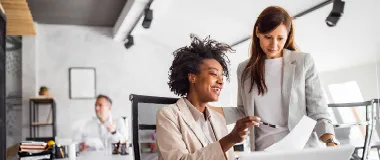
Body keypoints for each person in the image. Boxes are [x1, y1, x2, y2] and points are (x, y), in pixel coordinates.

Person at [214, 6, 338, 151]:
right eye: (268, 37)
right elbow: (243, 111)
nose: (274, 45)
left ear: (288, 36)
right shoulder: (245, 69)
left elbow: (318, 109)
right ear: (258, 32)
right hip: (264, 151)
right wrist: (206, 110)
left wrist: (330, 141)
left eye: (280, 38)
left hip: (302, 150)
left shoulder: (303, 62)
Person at [156, 35, 260, 160]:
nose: (221, 82)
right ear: (192, 77)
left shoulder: (218, 119)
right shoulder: (168, 115)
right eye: (214, 74)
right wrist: (230, 139)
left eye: (222, 77)